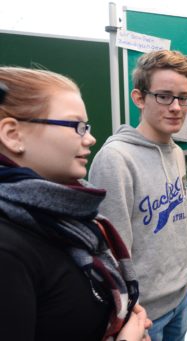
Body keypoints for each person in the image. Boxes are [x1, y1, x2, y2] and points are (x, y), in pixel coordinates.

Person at [0, 67, 151, 340]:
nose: (90, 139)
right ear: (12, 134)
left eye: (88, 127)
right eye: (76, 126)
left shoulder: (69, 218)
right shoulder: (8, 249)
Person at [89, 50, 187, 341]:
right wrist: (127, 314)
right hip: (143, 314)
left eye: (184, 97)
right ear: (139, 98)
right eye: (164, 96)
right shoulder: (115, 159)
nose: (176, 107)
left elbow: (180, 225)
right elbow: (112, 252)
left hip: (178, 301)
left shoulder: (176, 152)